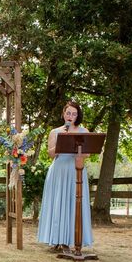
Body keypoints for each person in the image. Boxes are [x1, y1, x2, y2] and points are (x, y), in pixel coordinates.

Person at [37, 100, 93, 251]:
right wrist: (64, 138)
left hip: (76, 170)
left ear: (77, 116)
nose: (71, 116)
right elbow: (50, 153)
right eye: (68, 113)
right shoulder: (55, 132)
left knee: (73, 204)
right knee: (57, 203)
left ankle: (70, 240)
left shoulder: (84, 131)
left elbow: (87, 153)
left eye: (74, 114)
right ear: (63, 114)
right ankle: (55, 239)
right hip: (59, 170)